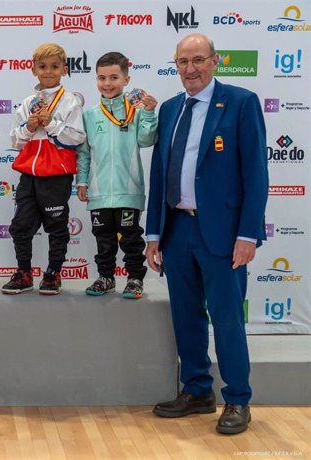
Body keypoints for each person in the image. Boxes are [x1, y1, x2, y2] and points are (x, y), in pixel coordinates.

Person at [146, 33, 268, 434]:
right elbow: (160, 175)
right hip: (178, 229)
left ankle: (237, 398)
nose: (191, 69)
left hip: (224, 233)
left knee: (228, 318)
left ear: (216, 61)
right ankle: (197, 390)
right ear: (176, 65)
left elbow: (255, 173)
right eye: (183, 62)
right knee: (186, 315)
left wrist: (249, 234)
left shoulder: (241, 102)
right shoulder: (169, 110)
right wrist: (153, 234)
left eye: (199, 60)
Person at [1, 42, 86, 295]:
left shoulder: (70, 102)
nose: (48, 71)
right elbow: (14, 141)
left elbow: (77, 138)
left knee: (56, 226)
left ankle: (53, 273)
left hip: (56, 175)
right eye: (42, 66)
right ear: (33, 69)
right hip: (28, 174)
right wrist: (29, 126)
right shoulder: (28, 102)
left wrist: (51, 124)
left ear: (64, 69)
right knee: (20, 225)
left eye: (54, 66)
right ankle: (24, 273)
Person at [76, 52, 158, 299]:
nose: (107, 83)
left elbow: (146, 139)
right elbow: (84, 153)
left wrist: (150, 113)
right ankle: (106, 277)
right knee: (103, 240)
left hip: (128, 189)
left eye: (114, 77)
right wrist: (81, 180)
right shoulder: (90, 115)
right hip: (99, 192)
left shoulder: (136, 110)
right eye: (102, 78)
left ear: (126, 79)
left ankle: (134, 279)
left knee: (132, 239)